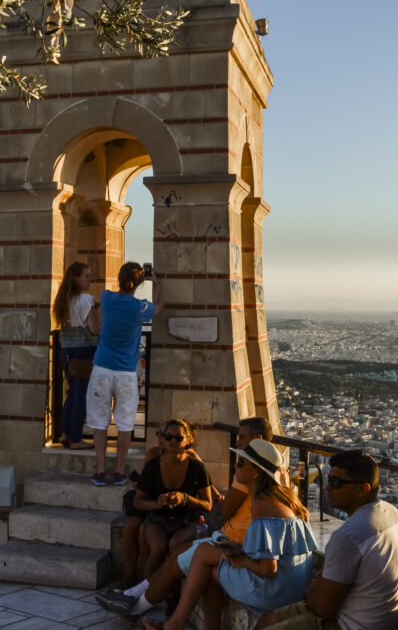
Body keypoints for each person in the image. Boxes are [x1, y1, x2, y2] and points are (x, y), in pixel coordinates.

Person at [98, 417, 275, 621]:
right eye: (167, 436)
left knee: (177, 559)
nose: (237, 443)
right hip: (230, 540)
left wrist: (191, 496)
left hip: (234, 543)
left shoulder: (250, 473)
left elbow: (223, 509)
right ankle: (138, 600)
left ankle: (137, 605)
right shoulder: (269, 473)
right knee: (172, 554)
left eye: (242, 438)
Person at [137, 439, 315, 630]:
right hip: (291, 586)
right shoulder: (280, 498)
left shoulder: (262, 504)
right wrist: (241, 549)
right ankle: (181, 624)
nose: (236, 466)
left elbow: (268, 569)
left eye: (241, 463)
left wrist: (243, 560)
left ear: (256, 472)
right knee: (211, 571)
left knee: (204, 553)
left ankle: (173, 624)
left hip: (274, 590)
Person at [261, 450, 398, 630]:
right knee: (268, 619)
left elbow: (322, 608)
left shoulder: (349, 536)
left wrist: (313, 589)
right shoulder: (395, 515)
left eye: (336, 482)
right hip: (387, 619)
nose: (327, 487)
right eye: (328, 479)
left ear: (362, 489)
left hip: (348, 624)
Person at [89, 261, 162, 486]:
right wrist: (157, 284)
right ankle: (119, 471)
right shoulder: (139, 307)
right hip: (126, 374)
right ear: (140, 282)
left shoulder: (106, 298)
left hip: (101, 369)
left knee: (99, 423)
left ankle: (100, 470)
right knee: (125, 424)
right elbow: (158, 306)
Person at [131, 420, 213, 578]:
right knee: (158, 548)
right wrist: (157, 503)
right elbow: (138, 502)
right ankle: (143, 588)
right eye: (169, 437)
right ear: (162, 439)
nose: (173, 440)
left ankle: (170, 593)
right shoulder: (152, 466)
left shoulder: (197, 468)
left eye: (178, 437)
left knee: (176, 545)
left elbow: (207, 505)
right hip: (158, 518)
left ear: (188, 440)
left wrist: (185, 499)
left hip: (188, 519)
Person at [53, 260, 100, 450]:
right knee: (80, 394)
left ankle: (65, 433)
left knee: (72, 393)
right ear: (76, 278)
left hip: (66, 350)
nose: (90, 279)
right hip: (83, 350)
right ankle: (75, 439)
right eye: (86, 276)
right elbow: (94, 329)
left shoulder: (63, 300)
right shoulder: (86, 300)